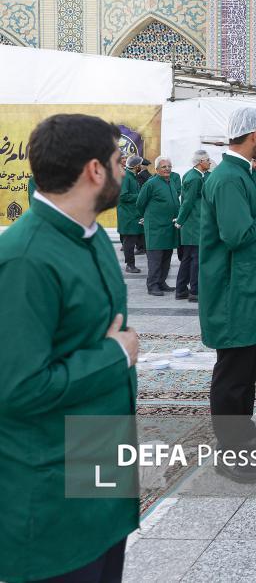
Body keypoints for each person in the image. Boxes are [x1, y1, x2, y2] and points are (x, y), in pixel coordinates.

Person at [0, 114, 139, 582]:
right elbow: (19, 387)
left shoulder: (91, 237)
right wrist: (114, 356)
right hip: (52, 498)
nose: (124, 172)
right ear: (95, 170)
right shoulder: (24, 259)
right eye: (119, 162)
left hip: (100, 479)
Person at [201, 107, 256, 484]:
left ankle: (244, 436)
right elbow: (236, 235)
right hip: (230, 293)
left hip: (244, 288)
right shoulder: (228, 178)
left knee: (247, 368)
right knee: (233, 374)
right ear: (254, 136)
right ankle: (228, 453)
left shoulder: (241, 174)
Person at [136, 156, 180, 296]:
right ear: (156, 169)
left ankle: (161, 282)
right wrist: (149, 217)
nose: (167, 169)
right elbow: (140, 203)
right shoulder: (151, 184)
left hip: (169, 227)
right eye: (164, 167)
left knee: (166, 257)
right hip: (156, 227)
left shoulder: (171, 182)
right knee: (155, 258)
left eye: (169, 166)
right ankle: (152, 285)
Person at [175, 150, 211, 302]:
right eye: (207, 160)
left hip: (193, 224)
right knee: (195, 259)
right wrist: (180, 221)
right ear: (200, 162)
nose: (209, 162)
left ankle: (181, 290)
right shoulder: (195, 178)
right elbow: (187, 202)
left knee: (187, 259)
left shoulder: (194, 175)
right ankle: (194, 291)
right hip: (193, 225)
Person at [118, 154, 144, 274]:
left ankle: (131, 264)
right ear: (136, 166)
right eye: (140, 165)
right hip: (128, 215)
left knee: (132, 241)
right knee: (129, 242)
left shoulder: (132, 176)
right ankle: (130, 265)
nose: (141, 167)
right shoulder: (126, 177)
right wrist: (140, 196)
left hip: (133, 214)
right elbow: (122, 196)